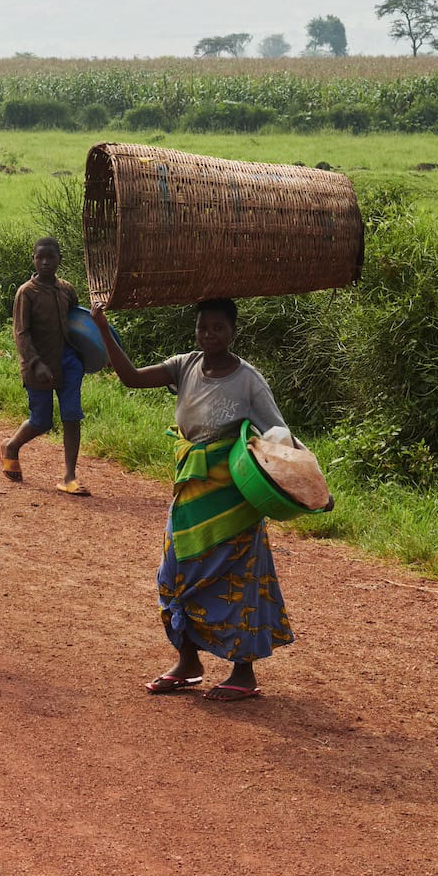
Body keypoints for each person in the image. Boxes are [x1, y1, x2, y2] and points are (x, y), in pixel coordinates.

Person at [93, 297, 294, 702]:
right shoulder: (184, 365)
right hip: (189, 494)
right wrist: (101, 324)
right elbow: (130, 377)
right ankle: (188, 663)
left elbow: (278, 436)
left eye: (218, 328)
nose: (208, 335)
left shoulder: (249, 380)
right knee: (177, 575)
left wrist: (305, 483)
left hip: (235, 497)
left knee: (235, 580)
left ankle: (243, 673)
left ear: (233, 332)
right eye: (203, 327)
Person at [2, 237, 87, 495]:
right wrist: (36, 363)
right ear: (34, 259)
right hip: (37, 364)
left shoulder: (66, 290)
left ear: (60, 258)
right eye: (41, 257)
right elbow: (21, 333)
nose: (46, 262)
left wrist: (90, 355)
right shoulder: (26, 293)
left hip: (68, 363)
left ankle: (69, 476)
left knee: (72, 416)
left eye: (51, 257)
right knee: (41, 421)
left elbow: (79, 325)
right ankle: (11, 446)